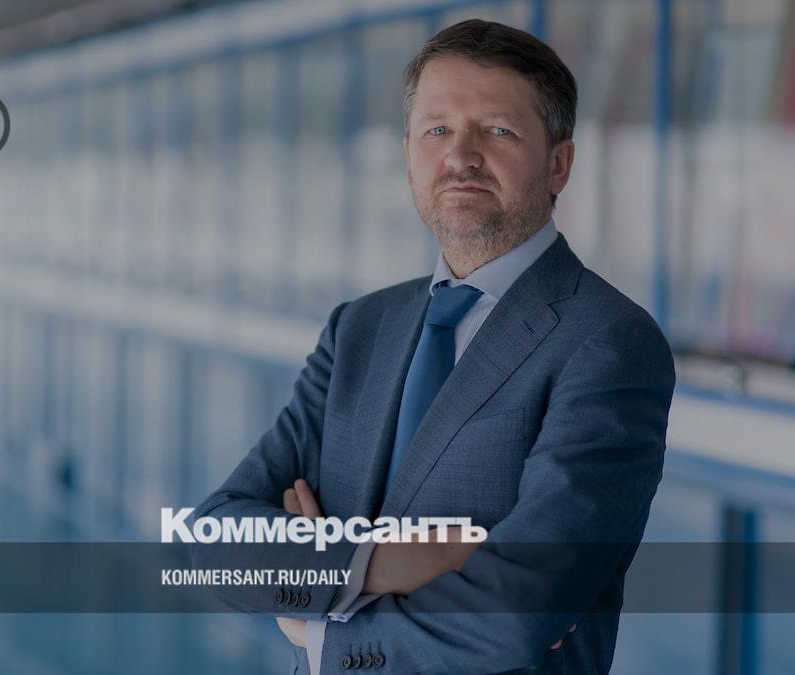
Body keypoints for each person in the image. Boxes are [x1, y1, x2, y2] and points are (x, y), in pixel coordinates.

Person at [190, 18, 674, 674]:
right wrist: (385, 561)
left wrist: (319, 627)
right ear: (409, 153)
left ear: (559, 163)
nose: (461, 156)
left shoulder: (607, 341)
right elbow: (217, 538)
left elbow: (519, 611)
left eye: (498, 131)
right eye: (437, 130)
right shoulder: (361, 327)